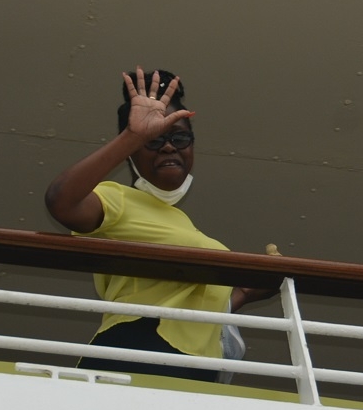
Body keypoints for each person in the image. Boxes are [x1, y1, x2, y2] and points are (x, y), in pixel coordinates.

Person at [44, 67, 270, 384]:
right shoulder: (118, 199)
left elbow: (190, 310)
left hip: (196, 367)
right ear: (131, 155)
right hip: (137, 349)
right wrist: (133, 135)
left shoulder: (185, 227)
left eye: (180, 137)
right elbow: (61, 201)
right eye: (154, 140)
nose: (168, 147)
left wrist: (245, 293)